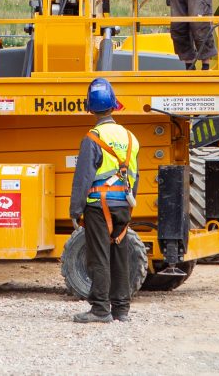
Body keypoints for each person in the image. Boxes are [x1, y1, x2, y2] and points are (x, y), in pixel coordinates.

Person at [69, 78, 140, 324]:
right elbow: (135, 175)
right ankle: (121, 309)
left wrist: (75, 209)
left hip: (99, 206)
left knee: (99, 256)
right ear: (114, 106)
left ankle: (100, 309)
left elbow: (84, 177)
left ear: (90, 108)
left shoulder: (93, 137)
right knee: (120, 255)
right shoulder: (131, 138)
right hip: (123, 204)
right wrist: (130, 202)